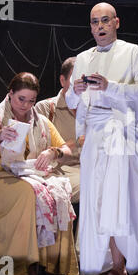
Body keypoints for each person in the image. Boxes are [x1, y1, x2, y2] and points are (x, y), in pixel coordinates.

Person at [65, 2, 138, 275]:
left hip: (123, 131)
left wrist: (110, 86)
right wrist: (75, 91)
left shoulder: (132, 52)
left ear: (117, 22)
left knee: (130, 200)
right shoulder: (82, 58)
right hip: (95, 134)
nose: (100, 26)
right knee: (102, 201)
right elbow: (71, 102)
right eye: (94, 22)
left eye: (105, 20)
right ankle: (117, 267)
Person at [0, 72, 79, 275]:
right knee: (27, 193)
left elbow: (66, 151)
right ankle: (19, 267)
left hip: (29, 175)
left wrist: (53, 152)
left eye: (31, 101)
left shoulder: (41, 122)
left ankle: (55, 266)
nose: (26, 105)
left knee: (58, 192)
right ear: (10, 94)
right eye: (21, 99)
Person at [35, 57, 80, 204]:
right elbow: (38, 150)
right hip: (59, 171)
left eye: (85, 81)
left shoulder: (95, 110)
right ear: (62, 80)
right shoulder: (46, 108)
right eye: (75, 80)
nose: (80, 85)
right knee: (94, 188)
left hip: (92, 170)